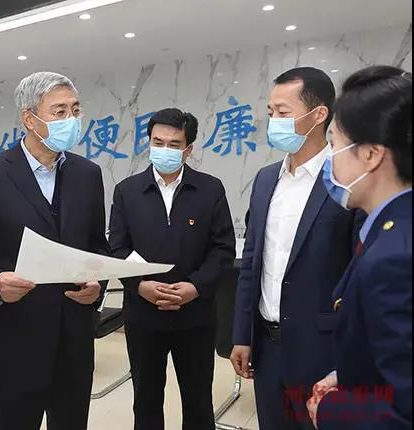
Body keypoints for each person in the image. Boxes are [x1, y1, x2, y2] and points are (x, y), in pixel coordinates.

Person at [0, 71, 109, 430]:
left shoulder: (88, 174)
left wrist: (97, 286)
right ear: (30, 119)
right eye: (59, 111)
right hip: (14, 342)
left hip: (74, 341)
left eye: (75, 110)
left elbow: (97, 246)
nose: (72, 119)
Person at [230, 67, 363, 430]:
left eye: (283, 112)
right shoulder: (265, 180)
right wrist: (242, 334)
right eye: (270, 111)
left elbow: (360, 273)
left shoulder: (348, 180)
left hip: (325, 351)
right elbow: (252, 262)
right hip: (267, 347)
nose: (273, 121)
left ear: (319, 115)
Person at [109, 108, 235, 429]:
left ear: (188, 149)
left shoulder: (210, 189)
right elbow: (118, 248)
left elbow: (222, 249)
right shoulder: (127, 191)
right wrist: (140, 285)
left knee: (198, 400)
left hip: (195, 316)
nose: (164, 149)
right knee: (146, 399)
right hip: (143, 316)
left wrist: (195, 287)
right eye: (158, 142)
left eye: (174, 144)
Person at [306, 66, 412, 429]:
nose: (330, 158)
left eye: (335, 144)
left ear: (371, 154)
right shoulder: (389, 229)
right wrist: (349, 375)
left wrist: (332, 410)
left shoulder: (395, 258)